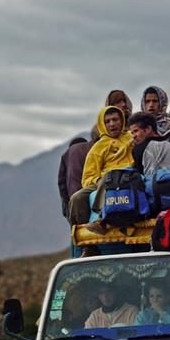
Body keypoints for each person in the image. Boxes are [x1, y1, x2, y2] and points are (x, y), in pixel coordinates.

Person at [68, 106, 134, 255]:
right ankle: (87, 245)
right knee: (76, 198)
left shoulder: (130, 138)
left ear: (122, 121)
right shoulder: (98, 148)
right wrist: (98, 181)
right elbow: (88, 177)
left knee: (110, 177)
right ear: (102, 124)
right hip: (102, 181)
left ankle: (100, 220)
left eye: (115, 120)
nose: (112, 124)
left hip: (128, 177)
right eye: (108, 121)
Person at [128, 112, 170, 176]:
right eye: (132, 133)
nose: (133, 136)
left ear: (148, 129)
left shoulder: (139, 149)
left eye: (136, 131)